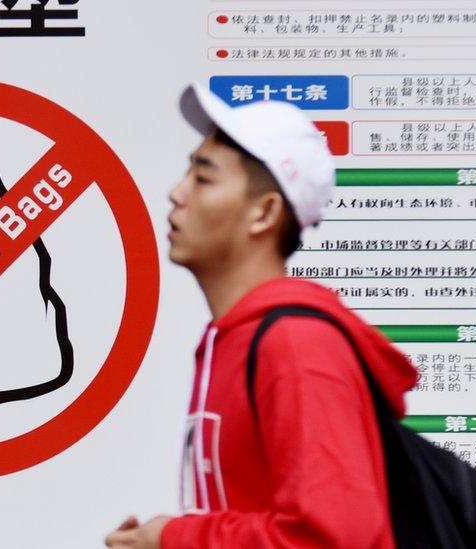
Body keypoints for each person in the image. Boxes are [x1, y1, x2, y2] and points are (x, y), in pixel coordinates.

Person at [105, 84, 418, 548]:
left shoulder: (297, 345)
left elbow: (333, 539)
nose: (176, 193)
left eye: (204, 178)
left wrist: (173, 538)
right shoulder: (235, 338)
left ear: (264, 213)